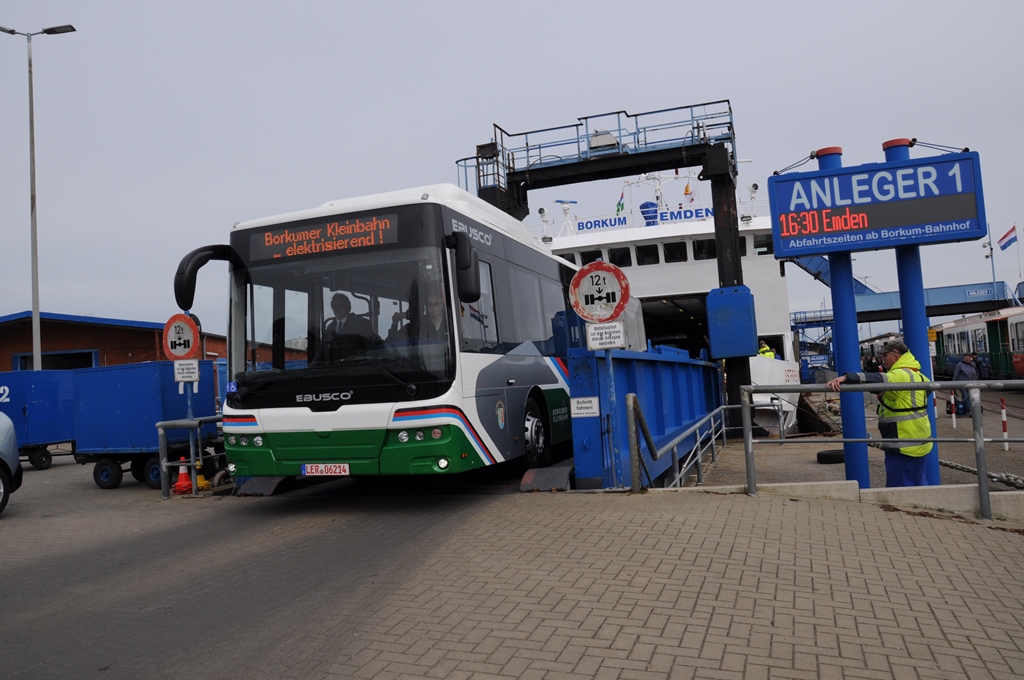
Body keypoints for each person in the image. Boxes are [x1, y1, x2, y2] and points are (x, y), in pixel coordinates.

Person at [826, 340, 932, 487]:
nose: (883, 359)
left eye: (885, 355)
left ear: (896, 356)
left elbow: (876, 379)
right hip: (919, 439)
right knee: (918, 482)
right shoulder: (916, 374)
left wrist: (847, 377)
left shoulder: (899, 374)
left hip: (903, 441)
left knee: (900, 488)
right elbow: (928, 390)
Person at [314, 293, 381, 363]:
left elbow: (371, 347)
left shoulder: (362, 323)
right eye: (334, 306)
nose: (337, 309)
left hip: (355, 369)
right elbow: (322, 351)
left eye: (340, 306)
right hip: (334, 371)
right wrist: (312, 368)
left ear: (348, 307)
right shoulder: (329, 329)